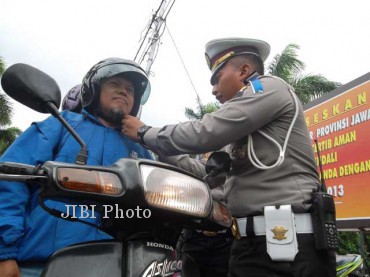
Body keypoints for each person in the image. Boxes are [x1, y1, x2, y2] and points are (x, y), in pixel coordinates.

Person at [122, 38, 336, 276]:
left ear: (244, 71)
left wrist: (145, 133)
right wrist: (161, 150)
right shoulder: (240, 135)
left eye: (217, 78)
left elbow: (206, 131)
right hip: (250, 246)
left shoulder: (268, 87)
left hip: (289, 247)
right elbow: (208, 173)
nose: (213, 89)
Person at [0, 57, 153, 277]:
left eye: (130, 89)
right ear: (93, 89)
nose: (124, 92)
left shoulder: (142, 151)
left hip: (116, 268)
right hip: (38, 265)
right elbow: (10, 178)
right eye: (114, 84)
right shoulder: (62, 124)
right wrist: (4, 252)